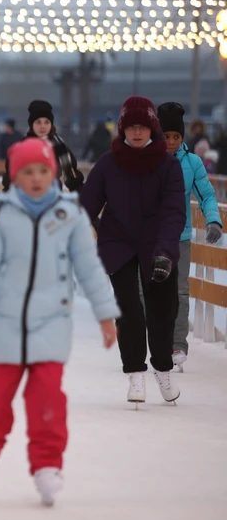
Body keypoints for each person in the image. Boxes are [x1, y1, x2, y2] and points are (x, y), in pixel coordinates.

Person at [0, 138, 119, 507]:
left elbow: (89, 267)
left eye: (43, 171)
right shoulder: (2, 214)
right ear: (15, 176)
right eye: (28, 172)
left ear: (54, 173)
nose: (37, 178)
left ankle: (47, 465)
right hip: (4, 322)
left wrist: (106, 313)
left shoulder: (69, 214)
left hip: (50, 325)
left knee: (47, 401)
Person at [80, 96, 186, 405]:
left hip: (157, 244)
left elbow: (174, 211)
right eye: (131, 127)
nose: (136, 133)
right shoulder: (108, 163)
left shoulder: (168, 165)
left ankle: (163, 368)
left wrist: (166, 252)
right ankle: (135, 374)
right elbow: (86, 204)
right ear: (123, 129)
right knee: (128, 310)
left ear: (152, 128)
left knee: (162, 311)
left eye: (142, 127)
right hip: (119, 242)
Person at [156, 102, 223, 372]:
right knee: (150, 291)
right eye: (166, 136)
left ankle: (177, 345)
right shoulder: (147, 160)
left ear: (182, 138)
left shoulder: (192, 163)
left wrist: (213, 220)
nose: (171, 142)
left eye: (176, 137)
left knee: (180, 291)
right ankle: (154, 340)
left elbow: (206, 195)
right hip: (149, 237)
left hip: (180, 237)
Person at [2, 100, 84, 193]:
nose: (43, 126)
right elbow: (11, 177)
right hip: (25, 198)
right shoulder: (22, 147)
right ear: (31, 124)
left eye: (46, 122)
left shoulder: (59, 146)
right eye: (38, 122)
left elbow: (73, 178)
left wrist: (81, 198)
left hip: (53, 198)